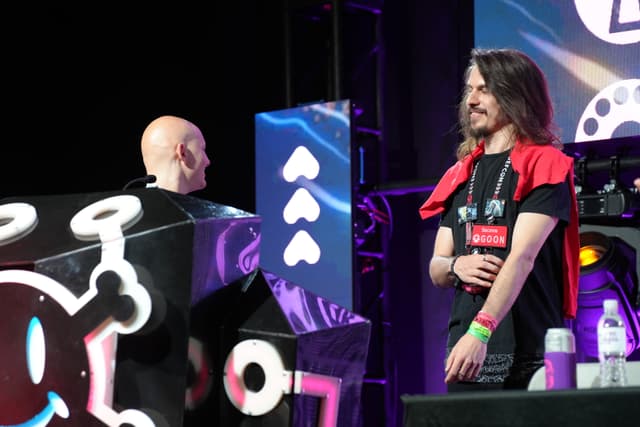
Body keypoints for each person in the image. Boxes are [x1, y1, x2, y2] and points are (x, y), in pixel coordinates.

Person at [418, 48, 580, 391]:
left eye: (484, 90)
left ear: (516, 94)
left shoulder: (544, 163)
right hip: (465, 351)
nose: (471, 101)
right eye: (469, 90)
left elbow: (522, 257)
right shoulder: (460, 174)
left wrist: (481, 330)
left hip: (527, 347)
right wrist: (455, 265)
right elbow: (437, 265)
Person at [140, 115, 211, 194]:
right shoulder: (203, 206)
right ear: (182, 152)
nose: (208, 161)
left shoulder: (127, 205)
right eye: (202, 149)